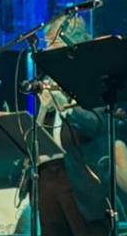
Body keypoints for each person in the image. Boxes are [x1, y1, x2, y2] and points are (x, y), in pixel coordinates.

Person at [34, 13, 111, 236]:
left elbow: (94, 125)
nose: (47, 51)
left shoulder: (93, 75)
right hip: (48, 176)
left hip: (78, 175)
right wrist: (45, 108)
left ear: (72, 43)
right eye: (46, 43)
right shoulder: (48, 79)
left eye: (53, 43)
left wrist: (66, 107)